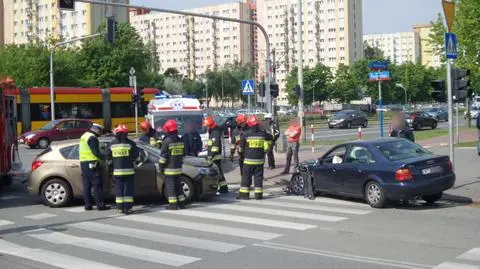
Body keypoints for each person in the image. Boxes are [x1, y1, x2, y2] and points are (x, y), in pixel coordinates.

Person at [107, 124, 139, 215]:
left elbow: (107, 157)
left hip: (117, 172)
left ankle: (120, 208)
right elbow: (136, 156)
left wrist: (111, 165)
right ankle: (127, 209)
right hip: (129, 172)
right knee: (128, 190)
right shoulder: (131, 143)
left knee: (119, 190)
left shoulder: (112, 144)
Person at [238, 115, 272, 200]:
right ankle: (258, 195)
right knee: (258, 178)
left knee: (246, 178)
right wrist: (266, 146)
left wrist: (241, 156)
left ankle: (244, 196)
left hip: (248, 161)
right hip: (259, 161)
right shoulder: (263, 134)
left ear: (249, 124)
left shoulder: (245, 134)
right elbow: (271, 138)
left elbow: (241, 148)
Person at [79, 123, 109, 211]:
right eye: (100, 131)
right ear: (96, 129)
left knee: (86, 185)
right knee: (97, 185)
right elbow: (96, 153)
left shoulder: (84, 135)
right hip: (91, 164)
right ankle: (100, 205)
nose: (100, 133)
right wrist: (105, 158)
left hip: (83, 163)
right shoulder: (92, 138)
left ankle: (87, 205)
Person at [158, 119, 186, 210]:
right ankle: (182, 203)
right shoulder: (180, 140)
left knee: (171, 187)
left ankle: (173, 205)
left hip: (169, 169)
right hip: (178, 168)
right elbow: (184, 154)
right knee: (179, 187)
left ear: (168, 129)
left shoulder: (167, 141)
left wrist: (161, 168)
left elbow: (163, 158)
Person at [203, 116, 228, 194]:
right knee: (218, 172)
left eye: (207, 126)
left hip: (215, 156)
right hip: (213, 156)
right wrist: (208, 145)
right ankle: (223, 187)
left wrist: (211, 156)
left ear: (210, 125)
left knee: (218, 172)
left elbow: (216, 146)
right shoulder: (212, 131)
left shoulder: (215, 132)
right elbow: (212, 143)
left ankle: (223, 188)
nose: (206, 128)